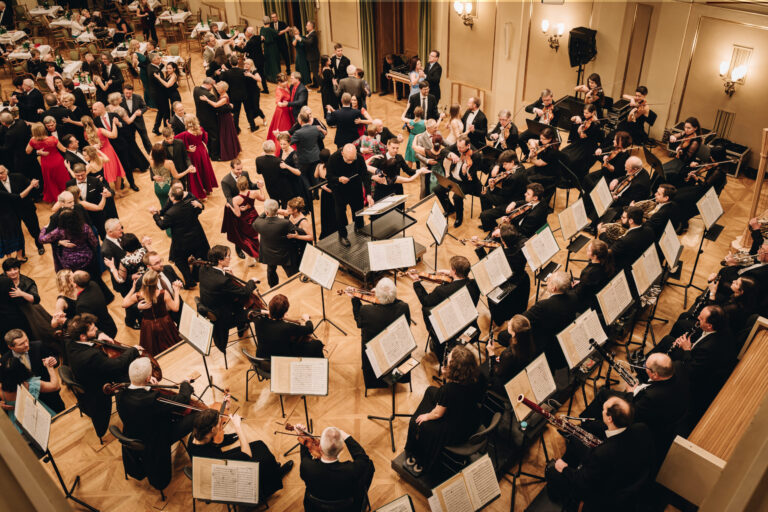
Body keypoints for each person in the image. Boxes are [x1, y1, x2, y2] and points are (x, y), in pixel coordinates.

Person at [580, 353, 688, 468]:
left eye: (646, 366)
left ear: (655, 375)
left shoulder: (650, 397)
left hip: (652, 426)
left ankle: (585, 423)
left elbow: (630, 413)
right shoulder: (679, 366)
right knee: (606, 394)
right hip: (670, 406)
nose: (644, 366)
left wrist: (630, 393)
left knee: (603, 395)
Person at [545, 396, 654, 510]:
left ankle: (564, 500)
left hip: (603, 498)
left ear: (609, 418)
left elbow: (582, 483)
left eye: (604, 409)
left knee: (552, 470)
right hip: (631, 479)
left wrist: (564, 468)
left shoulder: (602, 454)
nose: (602, 411)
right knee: (575, 441)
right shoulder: (642, 428)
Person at [115, 358, 196, 491]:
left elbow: (138, 398)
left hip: (134, 432)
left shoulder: (119, 393)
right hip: (156, 439)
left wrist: (149, 387)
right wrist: (185, 383)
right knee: (196, 416)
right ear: (148, 378)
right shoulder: (151, 401)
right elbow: (183, 399)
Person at [404, 345, 484, 476]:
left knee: (420, 424)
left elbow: (437, 413)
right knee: (431, 390)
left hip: (456, 429)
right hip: (470, 416)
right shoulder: (478, 377)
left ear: (455, 370)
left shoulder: (448, 390)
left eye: (449, 359)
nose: (446, 358)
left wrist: (426, 417)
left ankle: (421, 459)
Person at [190, 410, 291, 502]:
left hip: (215, 467)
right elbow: (246, 454)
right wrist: (238, 427)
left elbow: (217, 441)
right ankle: (273, 478)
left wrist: (227, 407)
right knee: (265, 459)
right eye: (220, 424)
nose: (222, 426)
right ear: (212, 429)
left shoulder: (196, 437)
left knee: (258, 445)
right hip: (223, 477)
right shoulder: (211, 457)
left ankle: (272, 470)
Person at [66, 313, 139, 438]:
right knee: (131, 378)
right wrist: (133, 350)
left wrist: (99, 334)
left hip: (86, 378)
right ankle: (133, 410)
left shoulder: (70, 342)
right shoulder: (91, 356)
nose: (96, 330)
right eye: (93, 330)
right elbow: (117, 364)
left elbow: (92, 333)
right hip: (98, 388)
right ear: (83, 337)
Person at [409, 256, 481, 362]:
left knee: (426, 309)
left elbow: (426, 300)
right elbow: (460, 282)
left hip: (452, 330)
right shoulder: (474, 284)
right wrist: (450, 274)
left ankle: (436, 341)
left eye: (451, 268)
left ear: (454, 271)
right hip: (470, 323)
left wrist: (416, 282)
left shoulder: (442, 291)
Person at [345, 277, 411, 389]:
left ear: (378, 296)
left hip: (376, 355)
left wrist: (354, 299)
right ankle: (395, 378)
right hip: (397, 351)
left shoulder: (366, 311)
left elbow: (359, 322)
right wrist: (385, 295)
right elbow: (407, 323)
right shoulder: (404, 307)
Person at [298, 424, 374, 512]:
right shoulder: (351, 471)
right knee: (370, 466)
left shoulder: (307, 466)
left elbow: (304, 457)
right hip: (348, 509)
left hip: (314, 508)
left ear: (320, 447)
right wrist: (346, 436)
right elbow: (363, 459)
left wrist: (302, 435)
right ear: (341, 448)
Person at [198, 245, 259, 353]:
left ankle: (242, 328)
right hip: (223, 318)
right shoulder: (222, 281)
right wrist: (252, 281)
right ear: (220, 261)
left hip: (213, 307)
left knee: (237, 300)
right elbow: (244, 292)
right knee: (257, 313)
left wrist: (226, 274)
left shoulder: (203, 268)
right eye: (228, 256)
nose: (230, 258)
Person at [151, 184, 210, 289]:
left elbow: (162, 225)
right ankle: (197, 276)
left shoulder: (171, 213)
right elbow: (199, 209)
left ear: (172, 197)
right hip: (197, 236)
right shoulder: (192, 204)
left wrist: (155, 215)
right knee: (198, 255)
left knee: (179, 260)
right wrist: (200, 205)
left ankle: (189, 281)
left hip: (182, 242)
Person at [523, 271, 580, 373]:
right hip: (562, 333)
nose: (547, 280)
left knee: (502, 336)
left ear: (553, 288)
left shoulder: (543, 305)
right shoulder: (574, 296)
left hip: (546, 341)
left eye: (549, 280)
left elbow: (524, 319)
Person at [1, 329, 64, 413]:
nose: (26, 345)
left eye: (26, 340)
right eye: (21, 344)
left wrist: (53, 360)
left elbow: (55, 358)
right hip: (27, 404)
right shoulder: (5, 360)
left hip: (49, 395)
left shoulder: (39, 346)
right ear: (11, 347)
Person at [122, 270, 182, 356]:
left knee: (152, 349)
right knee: (172, 346)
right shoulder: (163, 293)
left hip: (148, 325)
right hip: (165, 322)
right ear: (156, 282)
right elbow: (175, 308)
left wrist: (133, 289)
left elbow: (124, 304)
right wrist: (176, 291)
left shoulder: (138, 295)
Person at [325, 144, 372, 247]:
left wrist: (368, 194)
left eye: (352, 159)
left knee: (359, 211)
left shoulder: (358, 157)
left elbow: (365, 175)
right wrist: (338, 179)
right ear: (342, 153)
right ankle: (343, 235)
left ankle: (359, 228)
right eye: (348, 160)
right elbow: (328, 176)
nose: (351, 162)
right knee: (340, 213)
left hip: (355, 188)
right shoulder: (333, 158)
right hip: (340, 190)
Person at [0, 355, 59, 433]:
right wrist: (49, 367)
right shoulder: (31, 385)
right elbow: (55, 386)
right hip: (38, 417)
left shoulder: (1, 390)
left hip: (18, 422)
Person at [253, 294, 322, 358]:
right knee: (317, 344)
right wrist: (307, 319)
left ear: (269, 308)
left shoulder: (258, 320)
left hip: (261, 362)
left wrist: (272, 312)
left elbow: (257, 310)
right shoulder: (287, 327)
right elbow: (309, 329)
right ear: (285, 312)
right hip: (279, 362)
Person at [434, 135, 480, 228]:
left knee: (457, 197)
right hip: (453, 178)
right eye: (458, 147)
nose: (458, 149)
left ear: (468, 146)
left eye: (461, 148)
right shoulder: (458, 146)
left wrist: (466, 170)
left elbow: (470, 176)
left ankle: (459, 217)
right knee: (438, 189)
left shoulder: (476, 155)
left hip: (467, 182)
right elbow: (443, 151)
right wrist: (450, 154)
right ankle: (450, 209)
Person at [252, 199, 299, 287]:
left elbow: (258, 219)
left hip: (268, 254)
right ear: (277, 210)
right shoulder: (285, 223)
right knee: (291, 272)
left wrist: (267, 211)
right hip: (284, 253)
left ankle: (273, 287)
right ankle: (295, 285)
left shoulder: (258, 223)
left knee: (271, 271)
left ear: (266, 212)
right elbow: (296, 231)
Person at [485, 315, 537, 394]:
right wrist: (502, 360)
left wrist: (491, 353)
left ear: (514, 332)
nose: (508, 323)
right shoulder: (528, 341)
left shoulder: (508, 355)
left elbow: (497, 372)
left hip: (506, 384)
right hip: (517, 371)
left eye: (510, 324)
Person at [222, 175, 264, 267]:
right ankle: (258, 254)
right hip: (254, 218)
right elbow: (263, 198)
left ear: (238, 186)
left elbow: (238, 214)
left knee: (246, 239)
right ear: (247, 184)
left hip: (244, 222)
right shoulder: (253, 193)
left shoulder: (235, 199)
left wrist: (230, 206)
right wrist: (261, 188)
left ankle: (253, 256)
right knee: (255, 237)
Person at [0, 166, 41, 259]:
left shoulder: (18, 177)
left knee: (34, 229)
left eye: (2, 172)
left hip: (26, 209)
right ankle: (22, 254)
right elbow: (18, 197)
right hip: (11, 213)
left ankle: (40, 246)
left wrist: (35, 185)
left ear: (6, 171)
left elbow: (33, 187)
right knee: (18, 234)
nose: (1, 175)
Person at [83, 112, 130, 192]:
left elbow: (91, 146)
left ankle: (107, 191)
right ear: (92, 121)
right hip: (108, 152)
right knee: (117, 172)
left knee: (103, 174)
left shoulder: (86, 134)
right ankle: (118, 191)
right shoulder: (100, 130)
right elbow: (114, 135)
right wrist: (114, 124)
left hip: (98, 155)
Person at [176, 114, 218, 199]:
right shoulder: (201, 129)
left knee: (196, 173)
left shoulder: (185, 134)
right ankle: (207, 189)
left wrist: (187, 149)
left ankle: (199, 193)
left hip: (193, 155)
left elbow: (176, 140)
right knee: (205, 170)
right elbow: (205, 139)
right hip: (202, 152)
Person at [25, 123, 69, 203]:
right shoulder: (52, 139)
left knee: (50, 182)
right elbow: (63, 149)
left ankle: (58, 200)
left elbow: (28, 151)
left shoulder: (32, 141)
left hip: (46, 164)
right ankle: (68, 197)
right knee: (62, 180)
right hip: (58, 162)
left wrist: (38, 152)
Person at [198, 81, 241, 161]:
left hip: (225, 118)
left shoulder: (224, 97)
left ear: (223, 89)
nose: (217, 89)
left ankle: (229, 153)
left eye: (219, 88)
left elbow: (215, 105)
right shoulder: (222, 93)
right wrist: (213, 83)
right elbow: (216, 86)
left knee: (226, 134)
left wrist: (207, 99)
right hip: (222, 116)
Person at [562, 103, 602, 178]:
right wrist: (576, 117)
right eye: (584, 112)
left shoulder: (596, 124)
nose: (584, 115)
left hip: (588, 146)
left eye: (587, 113)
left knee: (573, 159)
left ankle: (573, 177)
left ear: (593, 113)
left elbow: (584, 136)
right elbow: (572, 119)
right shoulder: (585, 118)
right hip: (580, 143)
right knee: (563, 152)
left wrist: (579, 130)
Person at [518, 88, 560, 156]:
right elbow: (527, 108)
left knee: (544, 143)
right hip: (536, 127)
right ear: (542, 98)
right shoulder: (540, 101)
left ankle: (540, 156)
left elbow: (554, 126)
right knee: (520, 138)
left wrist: (548, 124)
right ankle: (527, 154)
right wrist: (536, 110)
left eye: (548, 100)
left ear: (551, 97)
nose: (546, 102)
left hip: (546, 132)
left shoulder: (556, 109)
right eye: (544, 100)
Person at [571, 239, 613, 304]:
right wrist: (582, 282)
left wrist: (577, 286)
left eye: (588, 250)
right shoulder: (606, 261)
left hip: (588, 300)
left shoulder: (588, 273)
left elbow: (580, 293)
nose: (586, 250)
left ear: (595, 256)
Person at [192, 78, 221, 161]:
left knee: (206, 137)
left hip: (200, 118)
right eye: (212, 85)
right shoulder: (209, 95)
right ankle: (215, 156)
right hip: (210, 119)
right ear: (208, 84)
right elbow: (216, 108)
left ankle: (209, 153)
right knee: (214, 137)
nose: (212, 87)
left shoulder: (196, 89)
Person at [266, 73, 295, 154]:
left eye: (286, 80)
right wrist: (282, 104)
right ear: (278, 82)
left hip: (287, 109)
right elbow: (277, 102)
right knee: (284, 128)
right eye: (283, 82)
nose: (285, 83)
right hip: (282, 112)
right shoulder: (279, 90)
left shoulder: (286, 86)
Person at [285, 196, 312, 267]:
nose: (286, 209)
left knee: (304, 264)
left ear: (295, 210)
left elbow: (312, 237)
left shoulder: (303, 222)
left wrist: (297, 236)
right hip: (296, 246)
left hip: (303, 247)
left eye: (288, 208)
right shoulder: (291, 215)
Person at [402, 105, 426, 170]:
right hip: (420, 139)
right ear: (422, 113)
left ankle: (410, 173)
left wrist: (406, 108)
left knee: (410, 156)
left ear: (414, 112)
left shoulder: (411, 121)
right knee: (420, 154)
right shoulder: (424, 122)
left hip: (412, 138)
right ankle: (420, 169)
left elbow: (402, 118)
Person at [260, 16, 280, 82]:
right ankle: (275, 78)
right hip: (273, 47)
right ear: (269, 21)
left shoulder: (262, 29)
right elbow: (278, 33)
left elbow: (261, 38)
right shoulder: (270, 29)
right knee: (273, 62)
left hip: (266, 47)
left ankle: (268, 77)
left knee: (268, 62)